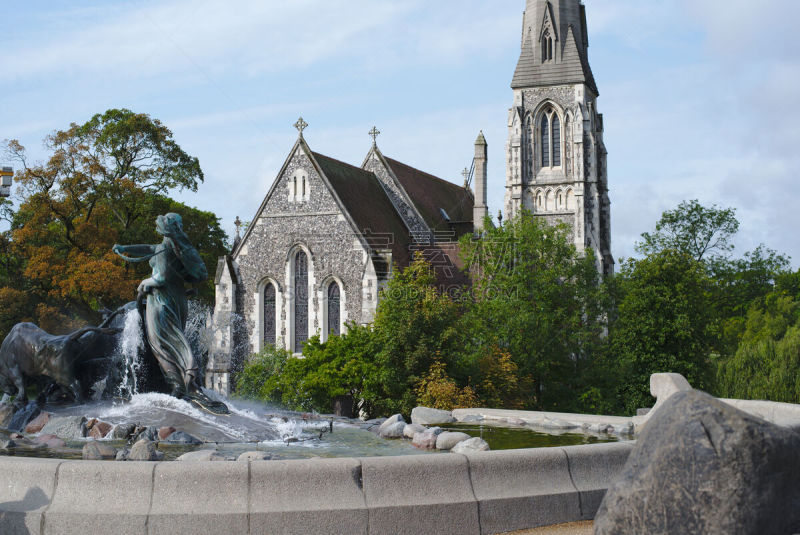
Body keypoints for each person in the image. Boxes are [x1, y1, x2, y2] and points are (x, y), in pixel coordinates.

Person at [113, 213, 228, 414]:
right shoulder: (173, 247)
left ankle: (180, 386)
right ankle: (183, 384)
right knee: (174, 339)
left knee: (162, 344)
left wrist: (143, 284)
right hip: (177, 300)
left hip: (160, 301)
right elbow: (148, 249)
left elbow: (161, 278)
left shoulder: (166, 249)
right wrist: (125, 249)